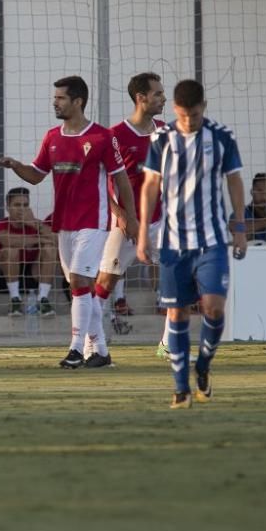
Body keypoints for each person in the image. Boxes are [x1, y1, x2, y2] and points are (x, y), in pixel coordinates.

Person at [0, 75, 138, 369]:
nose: (54, 102)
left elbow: (121, 180)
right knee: (79, 288)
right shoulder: (52, 137)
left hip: (94, 221)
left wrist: (130, 216)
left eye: (60, 98)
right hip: (64, 224)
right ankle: (100, 351)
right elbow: (36, 174)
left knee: (79, 281)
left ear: (78, 101)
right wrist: (16, 165)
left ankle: (75, 349)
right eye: (55, 97)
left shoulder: (101, 137)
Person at [137, 79, 247, 409]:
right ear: (175, 110)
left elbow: (235, 180)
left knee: (213, 307)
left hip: (212, 240)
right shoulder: (161, 139)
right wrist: (143, 232)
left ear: (204, 108)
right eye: (183, 115)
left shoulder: (222, 136)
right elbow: (149, 187)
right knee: (177, 313)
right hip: (173, 243)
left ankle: (203, 366)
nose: (189, 122)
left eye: (195, 115)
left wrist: (239, 226)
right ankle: (180, 387)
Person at [89, 72, 167, 361]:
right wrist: (121, 215)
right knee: (104, 284)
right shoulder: (114, 137)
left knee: (181, 278)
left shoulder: (164, 131)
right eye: (158, 93)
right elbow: (100, 184)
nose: (163, 98)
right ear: (141, 98)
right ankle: (94, 345)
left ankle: (169, 346)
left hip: (159, 221)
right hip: (123, 226)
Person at [0, 187, 57, 317]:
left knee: (50, 248)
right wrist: (39, 239)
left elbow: (57, 240)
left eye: (25, 205)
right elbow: (9, 241)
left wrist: (33, 224)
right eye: (17, 205)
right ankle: (15, 299)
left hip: (32, 275)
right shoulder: (1, 224)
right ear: (8, 208)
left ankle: (42, 299)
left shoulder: (36, 224)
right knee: (11, 251)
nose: (21, 209)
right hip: (3, 278)